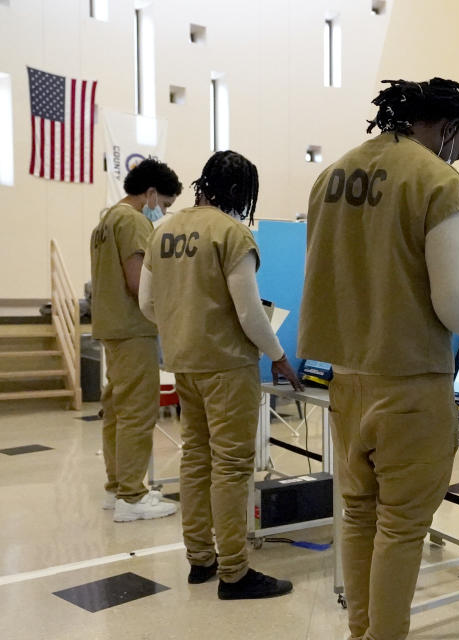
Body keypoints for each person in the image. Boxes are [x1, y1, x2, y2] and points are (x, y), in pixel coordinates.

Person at [298, 78, 459, 640]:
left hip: (346, 380)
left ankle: (361, 633)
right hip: (410, 381)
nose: (457, 154)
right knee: (403, 529)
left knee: (358, 515)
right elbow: (454, 296)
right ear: (450, 126)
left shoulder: (330, 175)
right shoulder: (436, 178)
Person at [139, 150, 302, 600]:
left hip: (184, 364)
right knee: (231, 467)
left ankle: (200, 560)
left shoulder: (163, 230)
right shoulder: (233, 234)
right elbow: (250, 313)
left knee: (195, 458)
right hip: (229, 368)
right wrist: (279, 356)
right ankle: (234, 572)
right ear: (238, 192)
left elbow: (147, 305)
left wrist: (185, 324)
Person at [90, 159, 181, 523]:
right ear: (152, 193)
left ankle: (117, 487)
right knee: (137, 412)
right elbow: (137, 281)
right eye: (166, 205)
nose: (163, 211)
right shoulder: (133, 220)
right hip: (133, 328)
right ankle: (132, 495)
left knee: (116, 409)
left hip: (112, 326)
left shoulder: (106, 219)